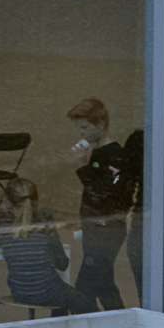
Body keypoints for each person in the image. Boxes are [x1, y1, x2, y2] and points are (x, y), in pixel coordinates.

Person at [64, 99, 138, 310]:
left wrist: (82, 167)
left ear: (101, 124)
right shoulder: (98, 154)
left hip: (106, 230)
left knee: (84, 290)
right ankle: (119, 325)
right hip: (96, 227)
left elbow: (104, 195)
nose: (81, 133)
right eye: (80, 128)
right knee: (105, 285)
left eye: (85, 127)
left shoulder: (114, 155)